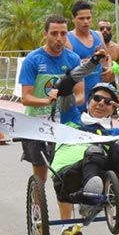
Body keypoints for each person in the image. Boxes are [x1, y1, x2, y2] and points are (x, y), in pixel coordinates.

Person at [49, 82, 119, 235]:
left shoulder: (114, 132)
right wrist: (91, 63)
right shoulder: (71, 119)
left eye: (108, 102)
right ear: (89, 101)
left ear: (113, 109)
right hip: (68, 174)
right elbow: (67, 87)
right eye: (97, 98)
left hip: (101, 172)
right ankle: (90, 196)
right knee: (95, 148)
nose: (101, 103)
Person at [18, 15, 85, 183]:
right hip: (38, 125)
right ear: (45, 34)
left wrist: (66, 103)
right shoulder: (32, 60)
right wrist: (47, 101)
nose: (59, 38)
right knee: (40, 177)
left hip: (65, 124)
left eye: (63, 34)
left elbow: (81, 95)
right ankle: (38, 206)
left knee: (66, 178)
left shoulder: (73, 59)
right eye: (54, 33)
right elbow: (25, 98)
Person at [67, 1, 104, 98]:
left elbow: (107, 58)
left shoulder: (99, 35)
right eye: (81, 18)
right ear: (73, 18)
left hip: (98, 95)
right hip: (78, 95)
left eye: (88, 18)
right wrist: (85, 63)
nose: (86, 22)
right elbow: (65, 67)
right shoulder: (67, 39)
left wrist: (108, 70)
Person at [98, 20, 119, 86]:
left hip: (110, 85)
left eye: (108, 29)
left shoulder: (118, 49)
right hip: (92, 84)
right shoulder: (90, 46)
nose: (105, 30)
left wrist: (114, 66)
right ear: (97, 31)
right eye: (102, 28)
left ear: (111, 31)